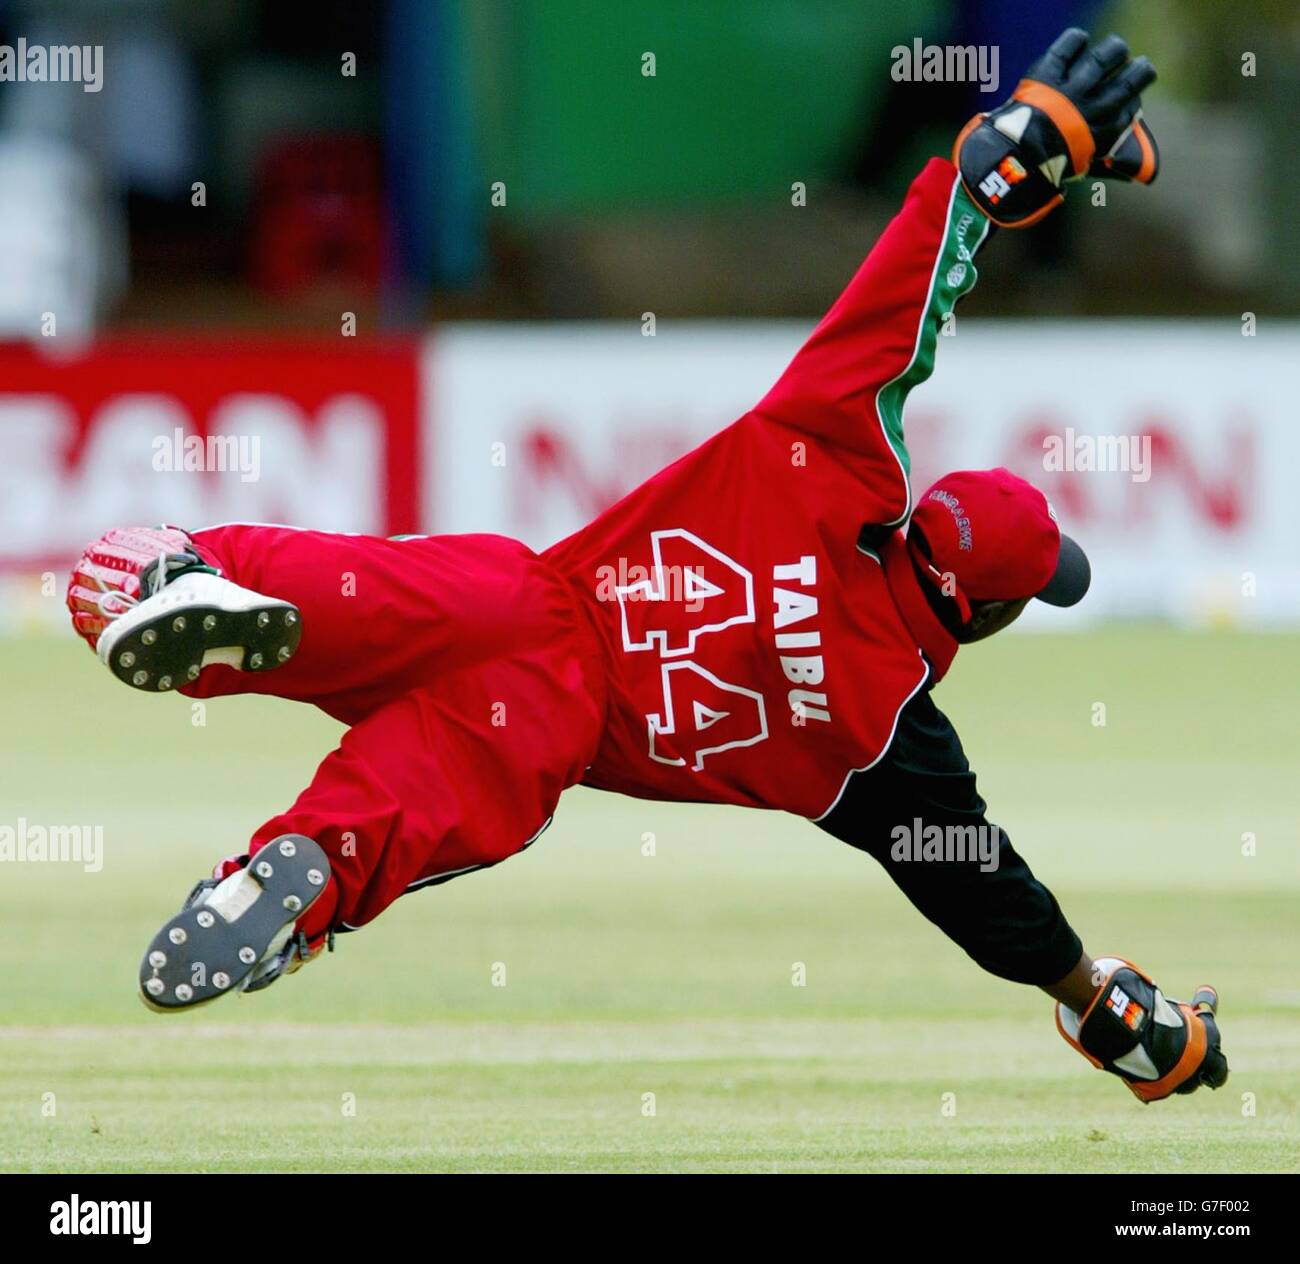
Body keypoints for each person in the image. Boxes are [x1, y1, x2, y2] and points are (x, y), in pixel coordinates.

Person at [67, 29, 1224, 1102]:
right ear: (984, 616)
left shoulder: (824, 458)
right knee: (405, 805)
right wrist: (1117, 1013)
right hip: (544, 737)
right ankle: (308, 873)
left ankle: (179, 577)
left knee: (356, 590)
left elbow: (902, 305)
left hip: (515, 595)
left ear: (919, 521)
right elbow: (987, 894)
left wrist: (995, 164)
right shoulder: (883, 742)